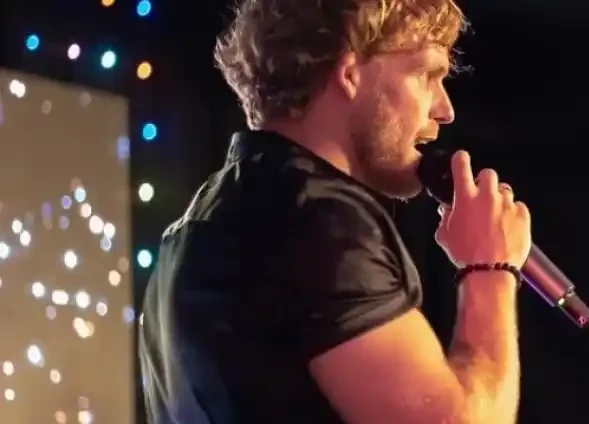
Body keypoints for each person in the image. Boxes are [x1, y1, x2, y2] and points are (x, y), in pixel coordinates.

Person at [137, 0, 531, 423]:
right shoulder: (320, 218)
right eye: (426, 75)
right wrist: (490, 267)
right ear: (350, 74)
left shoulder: (188, 232)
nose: (444, 109)